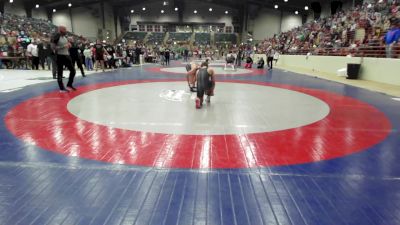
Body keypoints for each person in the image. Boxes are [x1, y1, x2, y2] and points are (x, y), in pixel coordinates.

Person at [51, 26, 76, 92]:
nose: (66, 31)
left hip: (66, 55)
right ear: (60, 30)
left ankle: (69, 85)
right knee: (60, 72)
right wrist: (63, 46)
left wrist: (68, 45)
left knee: (73, 71)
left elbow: (66, 45)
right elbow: (53, 47)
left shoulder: (64, 37)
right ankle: (61, 88)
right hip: (59, 56)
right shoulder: (56, 36)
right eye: (64, 30)